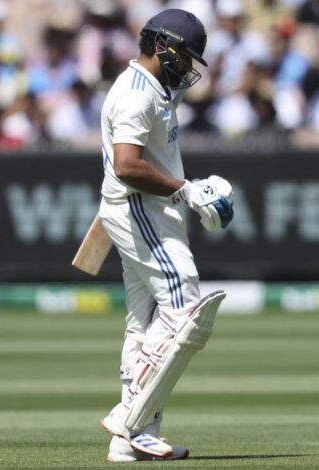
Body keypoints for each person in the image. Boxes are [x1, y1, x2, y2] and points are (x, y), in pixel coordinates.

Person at [95, 9, 234, 462]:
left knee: (143, 322)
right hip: (142, 211)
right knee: (184, 305)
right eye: (187, 56)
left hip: (145, 211)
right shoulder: (138, 95)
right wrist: (186, 190)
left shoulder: (153, 88)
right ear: (163, 46)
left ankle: (130, 440)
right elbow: (127, 166)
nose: (190, 68)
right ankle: (129, 416)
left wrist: (184, 189)